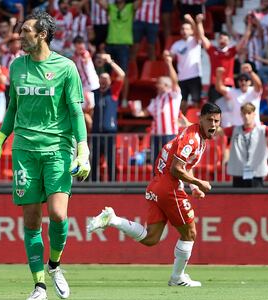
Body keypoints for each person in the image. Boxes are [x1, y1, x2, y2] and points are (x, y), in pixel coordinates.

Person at [0, 11, 91, 300]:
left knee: (58, 214)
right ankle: (39, 286)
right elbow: (12, 109)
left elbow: (77, 112)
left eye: (26, 30)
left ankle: (54, 265)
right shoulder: (16, 67)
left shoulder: (66, 68)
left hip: (57, 149)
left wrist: (83, 150)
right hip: (25, 151)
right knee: (31, 219)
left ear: (42, 34)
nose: (20, 35)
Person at [88, 103, 222, 287]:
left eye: (216, 121)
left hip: (156, 185)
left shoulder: (196, 135)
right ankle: (177, 278)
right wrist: (199, 183)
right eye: (209, 120)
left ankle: (112, 219)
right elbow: (176, 169)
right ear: (201, 119)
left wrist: (192, 186)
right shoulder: (193, 139)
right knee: (190, 233)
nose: (213, 124)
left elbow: (181, 166)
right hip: (169, 187)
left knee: (151, 238)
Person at [132, 50, 188, 163]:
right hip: (156, 134)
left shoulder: (173, 95)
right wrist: (137, 112)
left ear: (166, 85)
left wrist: (169, 64)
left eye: (159, 83)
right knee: (156, 162)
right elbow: (146, 113)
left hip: (170, 134)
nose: (157, 86)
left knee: (170, 161)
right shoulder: (157, 99)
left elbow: (174, 81)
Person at [91, 53, 125, 182]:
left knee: (110, 158)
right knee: (94, 159)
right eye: (102, 79)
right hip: (96, 132)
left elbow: (121, 75)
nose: (103, 81)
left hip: (109, 132)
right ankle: (93, 182)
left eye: (106, 79)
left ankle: (112, 182)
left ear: (110, 81)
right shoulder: (95, 93)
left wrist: (110, 62)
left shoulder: (113, 92)